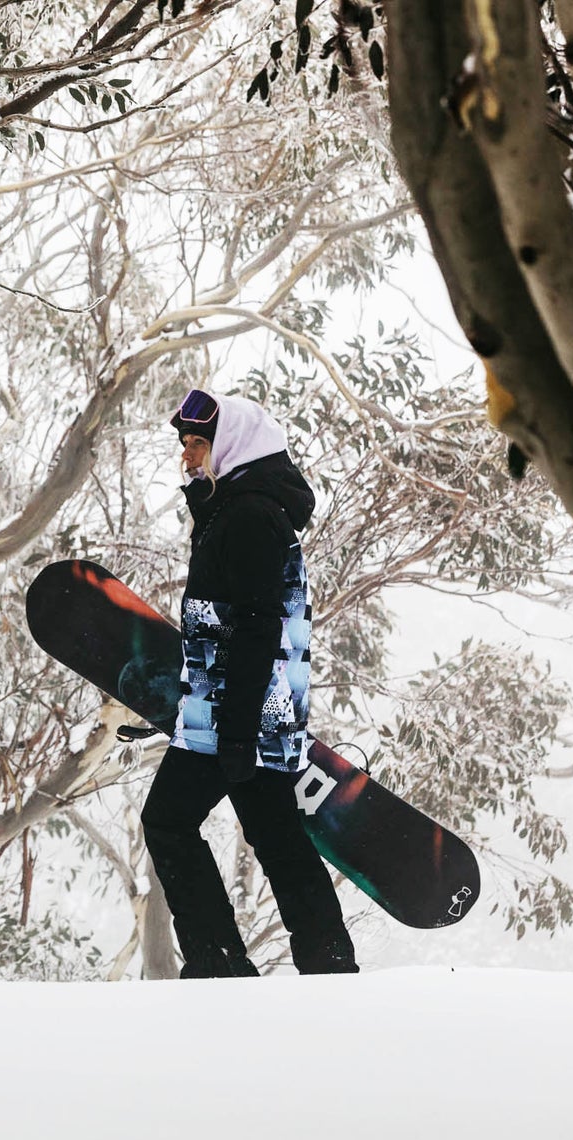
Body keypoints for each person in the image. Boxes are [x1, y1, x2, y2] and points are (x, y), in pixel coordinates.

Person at [142, 387, 358, 977]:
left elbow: (260, 627)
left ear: (230, 444)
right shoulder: (236, 509)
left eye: (199, 444)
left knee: (169, 820)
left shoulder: (250, 515)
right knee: (274, 833)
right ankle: (328, 961)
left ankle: (219, 960)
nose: (188, 457)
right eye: (186, 444)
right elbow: (221, 622)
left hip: (238, 718)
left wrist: (236, 732)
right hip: (231, 713)